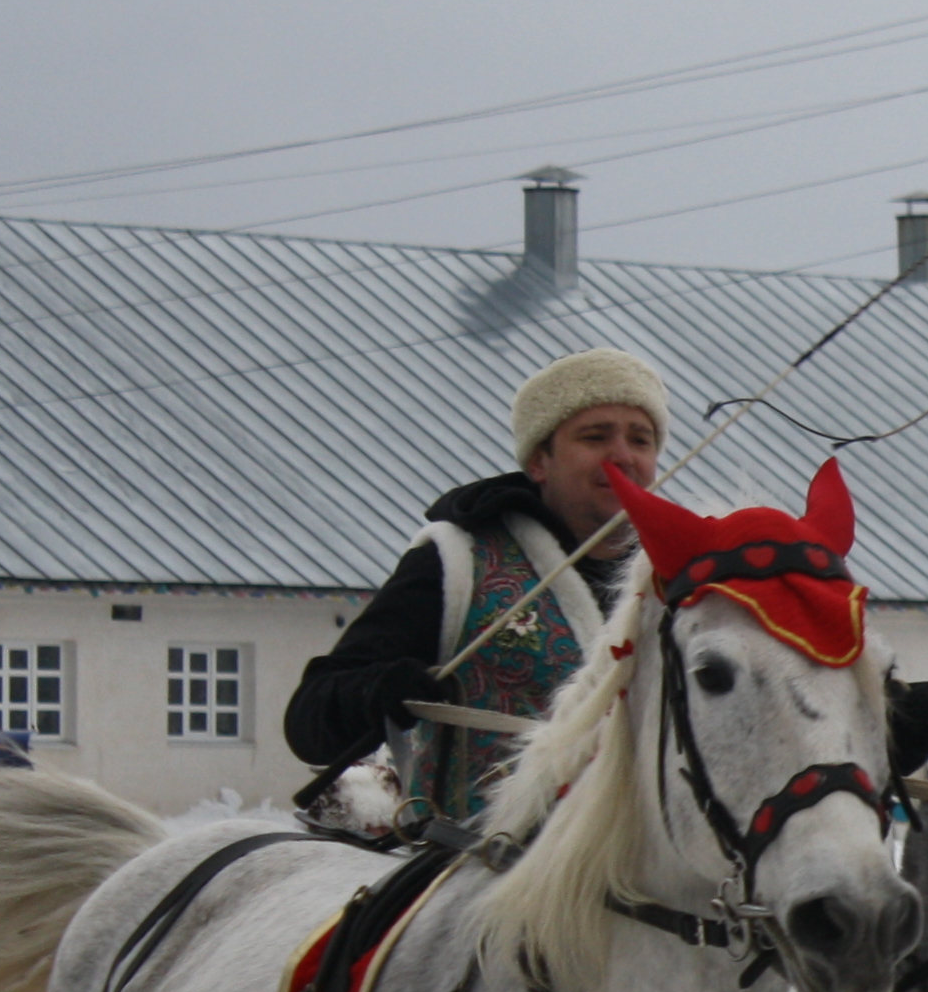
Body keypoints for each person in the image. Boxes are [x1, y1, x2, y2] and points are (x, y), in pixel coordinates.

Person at [284, 348, 670, 824]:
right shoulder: (459, 559)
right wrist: (378, 691)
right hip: (470, 864)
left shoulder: (690, 577)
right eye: (594, 437)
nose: (623, 457)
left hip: (650, 881)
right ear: (539, 462)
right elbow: (310, 719)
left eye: (642, 440)